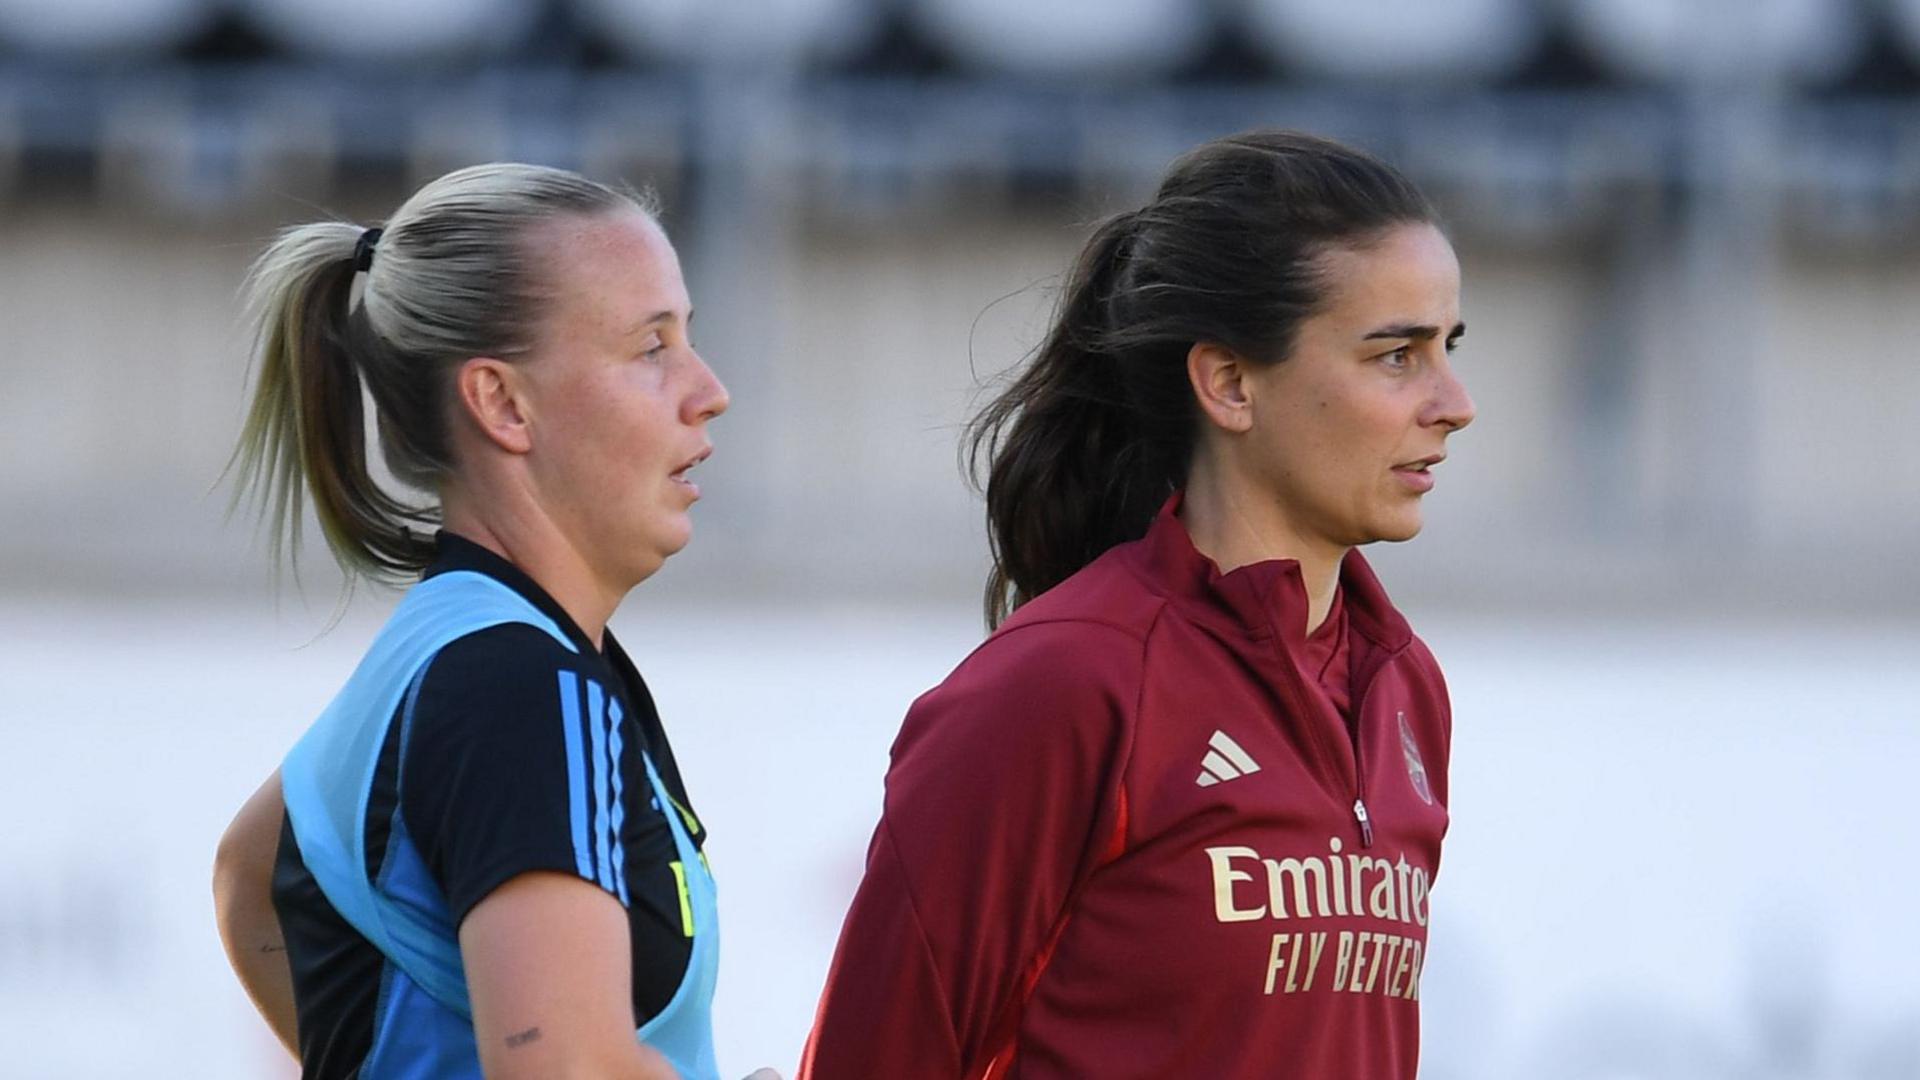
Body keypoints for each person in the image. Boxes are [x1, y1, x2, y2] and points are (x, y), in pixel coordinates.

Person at [799, 130, 1476, 1080]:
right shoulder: (1064, 681)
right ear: (1231, 384)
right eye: (1396, 355)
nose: (1455, 401)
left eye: (1447, 346)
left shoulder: (1405, 686)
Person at [208, 163, 776, 1080]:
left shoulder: (458, 646)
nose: (709, 389)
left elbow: (250, 877)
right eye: (650, 347)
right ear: (502, 404)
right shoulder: (522, 685)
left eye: (689, 337)